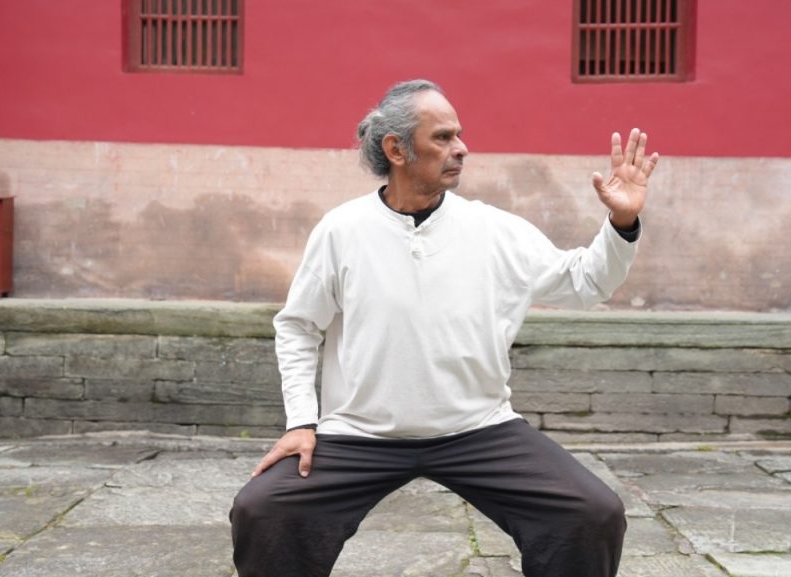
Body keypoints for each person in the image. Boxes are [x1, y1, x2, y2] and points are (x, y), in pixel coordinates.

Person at [229, 79, 659, 577]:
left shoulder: (494, 230)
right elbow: (299, 326)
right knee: (263, 511)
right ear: (396, 149)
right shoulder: (342, 230)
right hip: (358, 434)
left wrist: (621, 224)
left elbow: (585, 282)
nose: (461, 149)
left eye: (459, 136)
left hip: (478, 429)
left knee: (592, 513)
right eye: (443, 137)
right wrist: (302, 421)